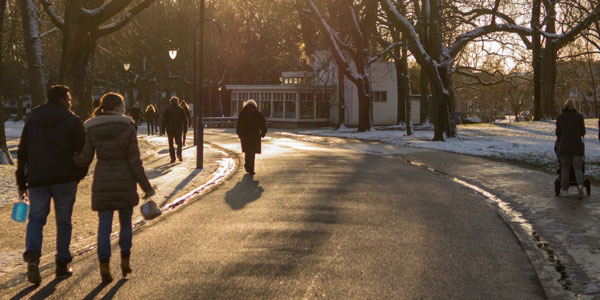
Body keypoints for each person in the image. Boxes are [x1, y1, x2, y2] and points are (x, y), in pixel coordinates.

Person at [73, 92, 155, 283]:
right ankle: (125, 261)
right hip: (125, 180)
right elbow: (135, 161)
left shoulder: (92, 128)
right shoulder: (127, 127)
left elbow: (85, 158)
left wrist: (70, 160)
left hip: (102, 180)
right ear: (118, 106)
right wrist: (146, 186)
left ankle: (104, 265)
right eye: (123, 105)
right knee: (126, 223)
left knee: (104, 225)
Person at [16, 85, 86, 284]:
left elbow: (23, 151)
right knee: (63, 221)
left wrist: (21, 181)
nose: (71, 101)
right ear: (63, 100)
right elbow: (83, 152)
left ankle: (32, 256)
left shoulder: (33, 120)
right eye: (69, 98)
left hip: (37, 179)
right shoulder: (72, 121)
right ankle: (62, 264)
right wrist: (78, 174)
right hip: (65, 179)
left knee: (36, 219)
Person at [556, 99, 586, 198]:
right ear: (574, 106)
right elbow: (583, 132)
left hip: (564, 146)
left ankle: (565, 190)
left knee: (565, 169)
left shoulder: (560, 117)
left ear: (565, 106)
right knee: (578, 169)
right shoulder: (579, 117)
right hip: (577, 145)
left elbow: (558, 133)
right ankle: (580, 185)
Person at [236, 99, 267, 175]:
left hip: (245, 135)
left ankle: (247, 164)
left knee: (247, 151)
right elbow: (262, 124)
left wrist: (239, 134)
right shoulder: (257, 113)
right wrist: (263, 133)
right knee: (252, 152)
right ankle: (251, 168)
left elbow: (239, 124)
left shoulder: (242, 113)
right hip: (255, 135)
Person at [163, 97, 188, 163]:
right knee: (179, 142)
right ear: (177, 102)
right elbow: (184, 120)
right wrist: (185, 128)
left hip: (170, 129)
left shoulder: (168, 110)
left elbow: (164, 120)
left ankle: (173, 158)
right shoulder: (181, 110)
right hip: (178, 128)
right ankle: (179, 154)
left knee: (171, 144)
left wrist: (162, 129)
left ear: (170, 102)